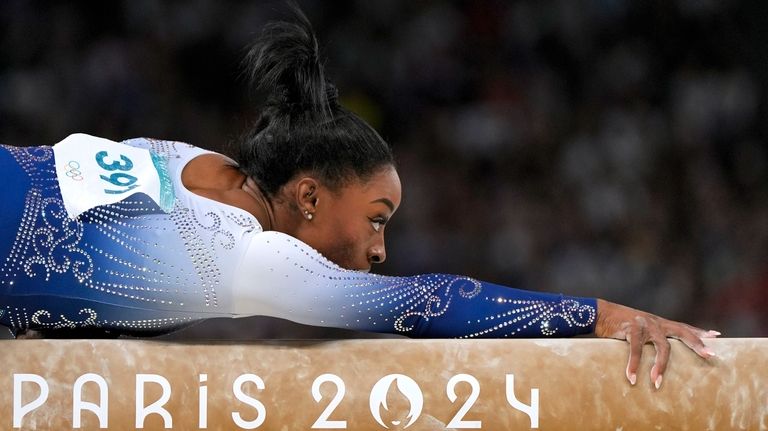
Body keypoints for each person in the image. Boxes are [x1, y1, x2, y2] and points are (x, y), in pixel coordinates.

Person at [0, 5, 717, 389]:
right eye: (376, 219)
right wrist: (600, 313)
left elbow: (95, 252)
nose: (380, 249)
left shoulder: (192, 163)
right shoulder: (252, 261)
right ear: (308, 195)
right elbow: (423, 303)